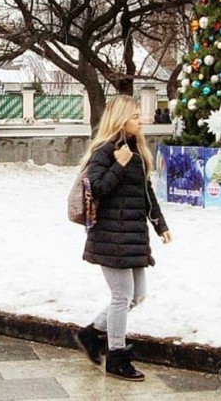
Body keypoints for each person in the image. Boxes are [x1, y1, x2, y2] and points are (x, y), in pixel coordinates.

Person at [74, 94, 171, 382]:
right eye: (134, 117)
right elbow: (98, 190)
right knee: (121, 297)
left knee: (137, 295)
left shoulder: (137, 151)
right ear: (120, 120)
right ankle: (116, 357)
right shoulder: (104, 150)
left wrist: (160, 225)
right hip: (111, 235)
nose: (140, 121)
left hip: (133, 235)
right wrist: (119, 164)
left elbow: (146, 193)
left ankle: (91, 334)